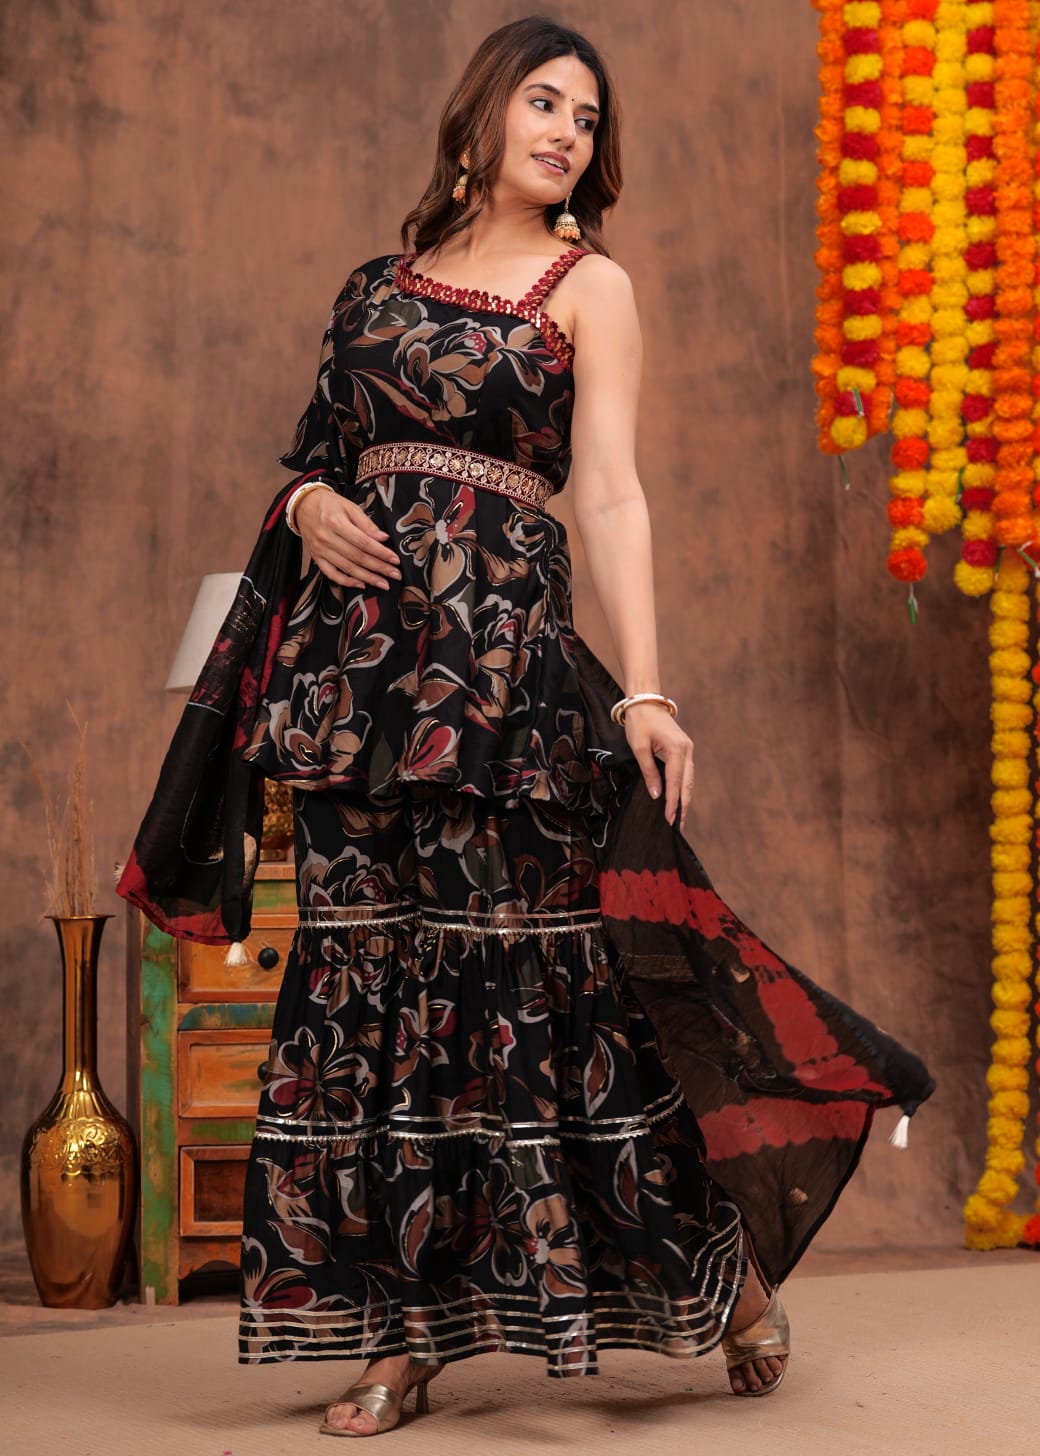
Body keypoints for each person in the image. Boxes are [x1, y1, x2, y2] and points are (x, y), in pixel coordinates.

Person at [118, 13, 934, 1438]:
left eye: (589, 117)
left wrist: (647, 689)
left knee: (555, 994)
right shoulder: (373, 287)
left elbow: (609, 490)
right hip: (355, 692)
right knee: (370, 1000)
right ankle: (402, 1339)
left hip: (501, 691)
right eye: (547, 101)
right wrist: (307, 506)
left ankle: (725, 1278)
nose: (568, 131)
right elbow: (315, 456)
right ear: (484, 110)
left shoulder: (588, 286)